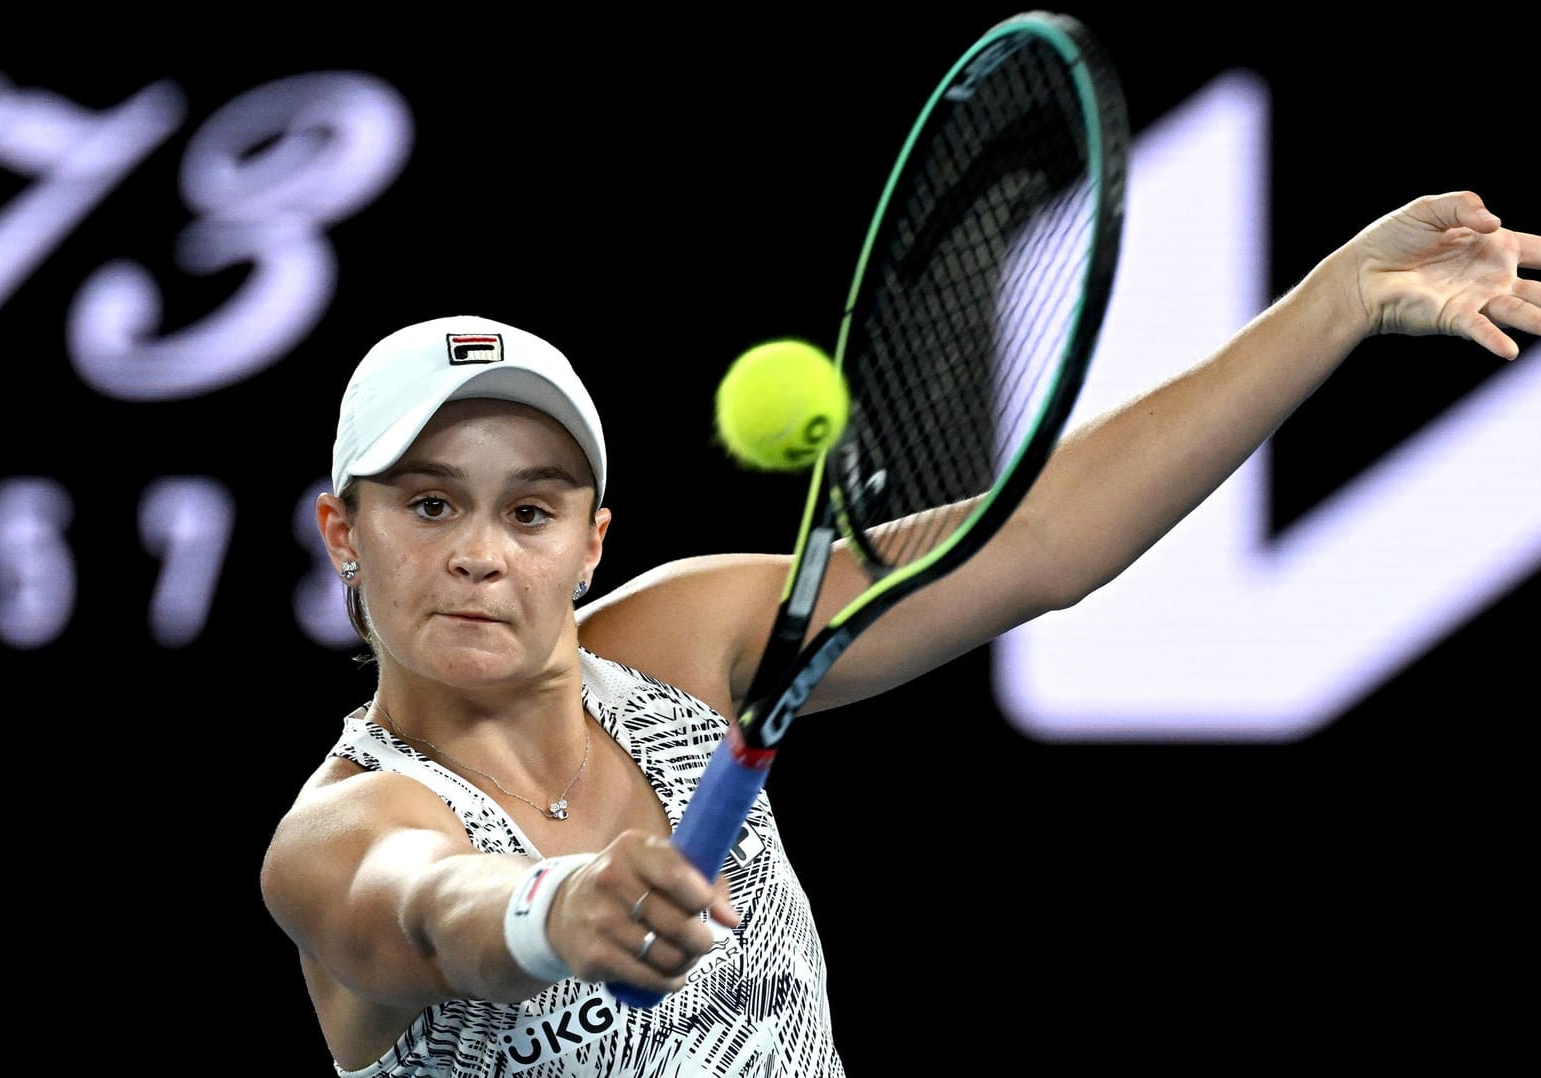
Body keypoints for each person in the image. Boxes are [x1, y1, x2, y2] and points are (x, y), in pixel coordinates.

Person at [259, 189, 1538, 1076]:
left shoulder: (678, 642)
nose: (481, 550)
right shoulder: (343, 829)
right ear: (342, 532)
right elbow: (426, 910)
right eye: (429, 504)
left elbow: (1033, 542)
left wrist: (1341, 298)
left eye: (530, 511)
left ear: (593, 541)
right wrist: (553, 912)